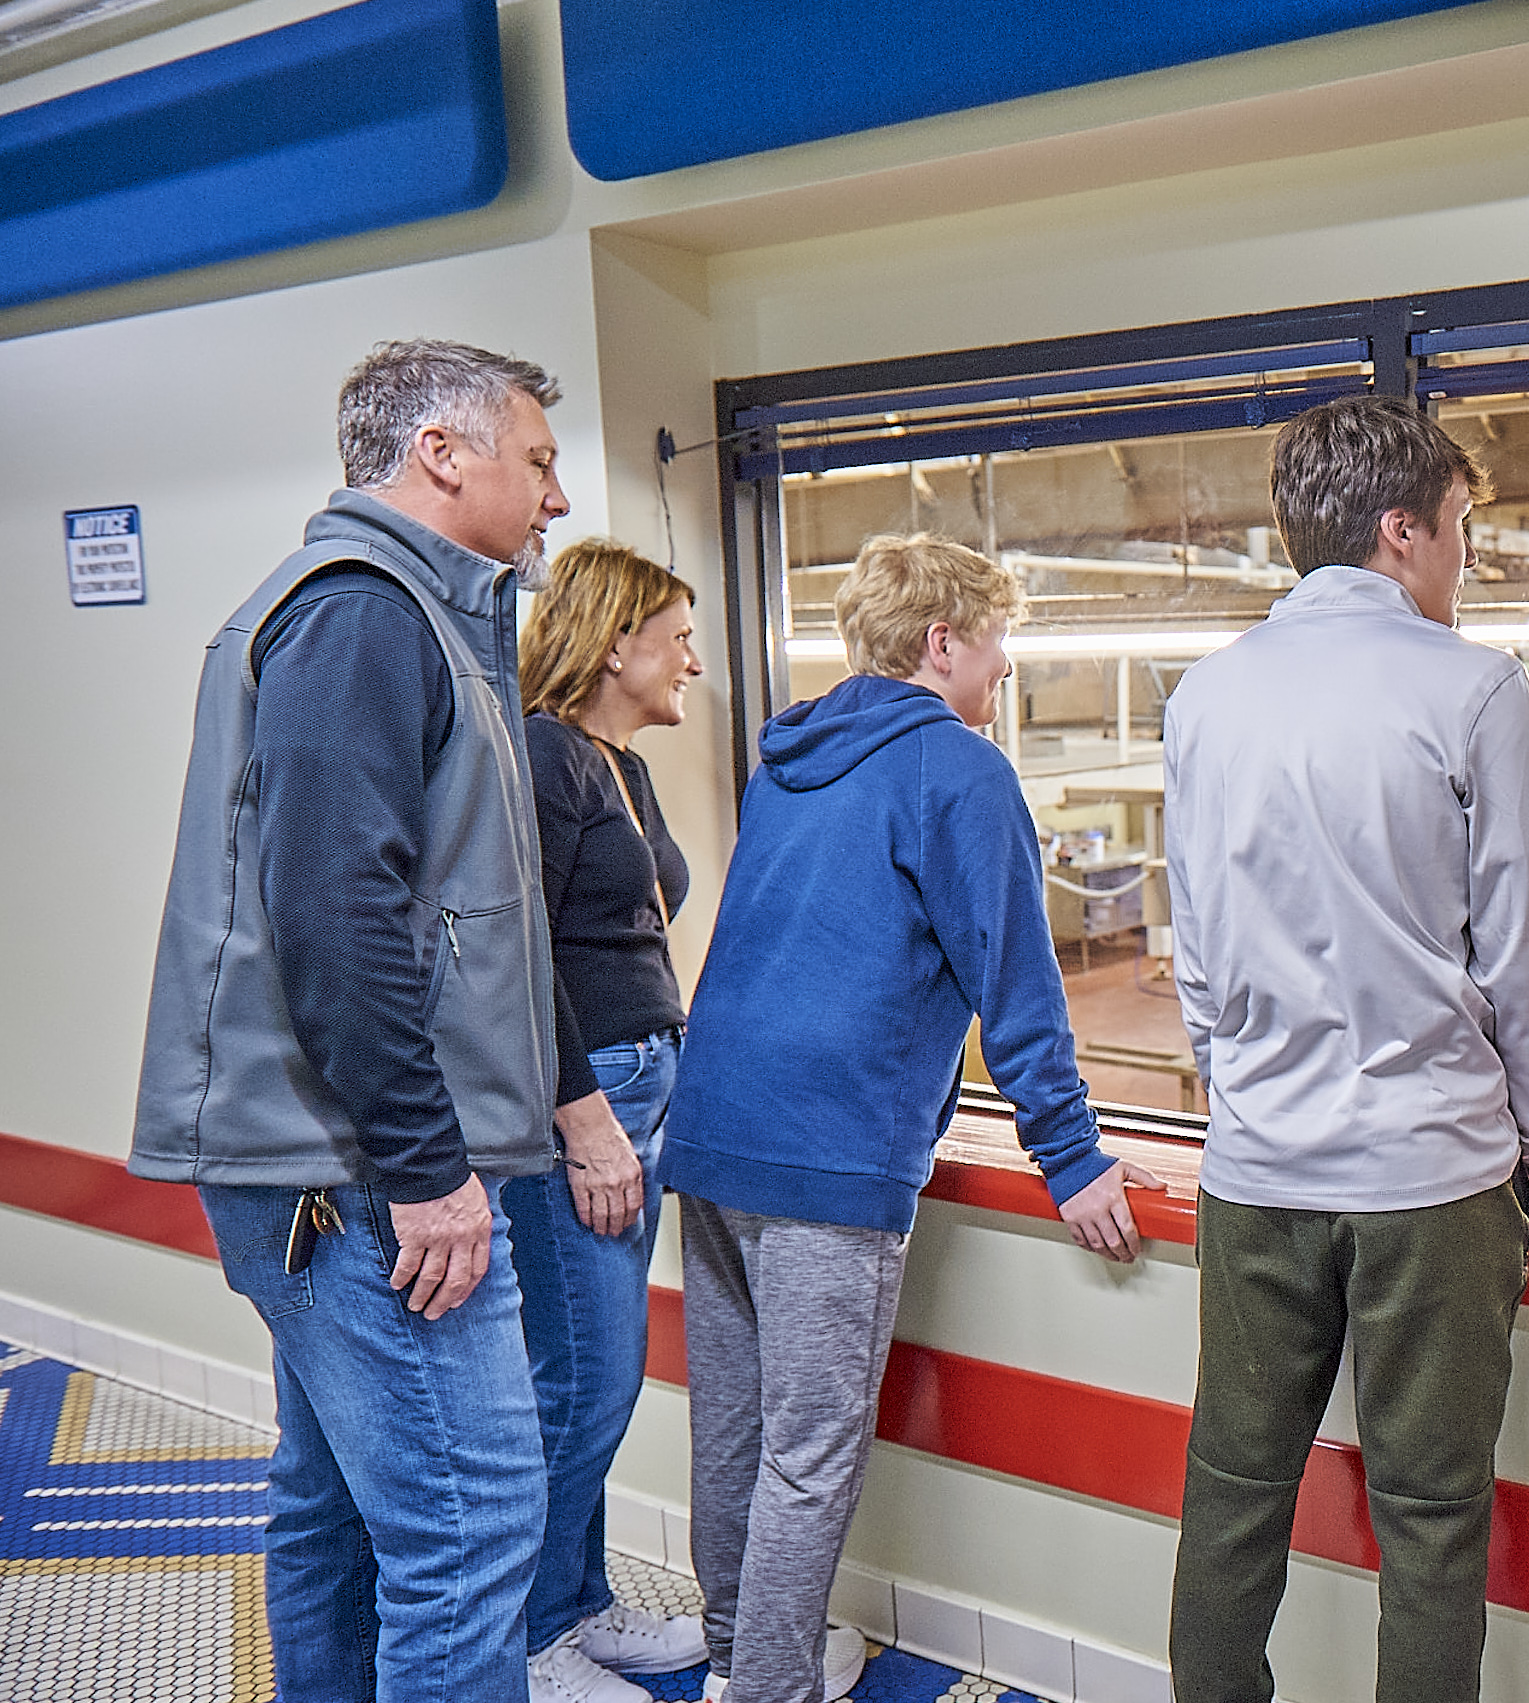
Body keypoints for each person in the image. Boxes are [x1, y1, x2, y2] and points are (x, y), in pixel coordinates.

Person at [131, 339, 569, 1702]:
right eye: (540, 459)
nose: (556, 497)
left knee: (334, 1506)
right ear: (444, 453)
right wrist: (430, 1166)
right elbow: (333, 910)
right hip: (365, 1173)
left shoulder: (403, 613)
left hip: (340, 1160)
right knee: (469, 1523)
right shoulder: (366, 611)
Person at [660, 533, 1164, 1703]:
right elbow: (1016, 976)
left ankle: (742, 1648)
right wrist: (1072, 1153)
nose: (1000, 679)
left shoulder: (788, 757)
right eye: (995, 651)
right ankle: (771, 1686)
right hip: (831, 1148)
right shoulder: (959, 769)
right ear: (943, 643)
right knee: (808, 1452)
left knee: (733, 1424)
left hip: (717, 1125)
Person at [1162, 395, 1529, 1703]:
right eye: (1457, 530)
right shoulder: (1473, 686)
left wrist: (1248, 1095)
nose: (1462, 561)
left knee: (1231, 1492)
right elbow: (1519, 950)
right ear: (1401, 530)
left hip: (1259, 1165)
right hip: (1433, 1173)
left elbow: (1199, 948)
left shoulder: (1206, 694)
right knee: (1433, 1521)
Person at [511, 541, 710, 1700]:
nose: (692, 656)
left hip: (644, 1083)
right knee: (582, 1381)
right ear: (615, 639)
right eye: (677, 634)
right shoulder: (545, 755)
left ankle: (578, 1605)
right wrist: (582, 1114)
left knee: (605, 1374)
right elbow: (515, 952)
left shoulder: (620, 764)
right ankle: (531, 1639)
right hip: (585, 1102)